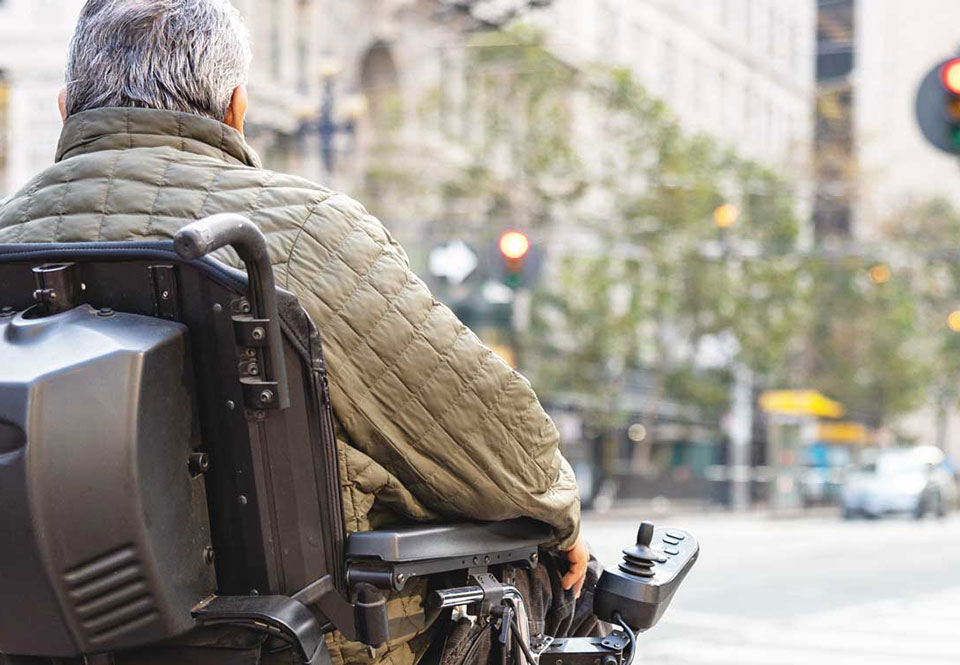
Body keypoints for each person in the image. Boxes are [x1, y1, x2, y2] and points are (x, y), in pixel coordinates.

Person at [0, 1, 593, 663]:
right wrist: (559, 516)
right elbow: (496, 437)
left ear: (63, 109)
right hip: (292, 643)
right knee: (559, 581)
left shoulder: (7, 237)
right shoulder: (310, 233)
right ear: (236, 110)